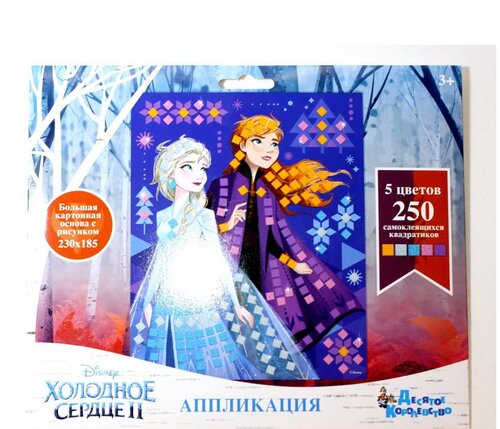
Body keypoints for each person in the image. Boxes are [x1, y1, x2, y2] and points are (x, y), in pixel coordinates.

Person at [130, 136, 317, 380]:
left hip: (199, 302)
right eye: (188, 167)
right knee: (167, 364)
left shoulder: (205, 216)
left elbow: (219, 261)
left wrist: (236, 304)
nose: (198, 174)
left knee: (211, 361)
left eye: (202, 168)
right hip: (166, 304)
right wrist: (148, 303)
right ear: (170, 173)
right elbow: (161, 263)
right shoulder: (163, 216)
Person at [207, 115, 363, 352]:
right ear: (243, 145)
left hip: (260, 270)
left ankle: (258, 363)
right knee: (232, 329)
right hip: (227, 269)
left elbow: (272, 240)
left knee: (259, 329)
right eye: (259, 141)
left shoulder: (266, 192)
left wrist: (293, 263)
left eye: (274, 143)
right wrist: (228, 225)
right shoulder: (223, 186)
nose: (269, 149)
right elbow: (204, 231)